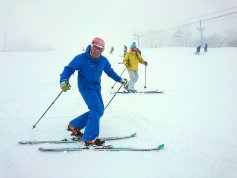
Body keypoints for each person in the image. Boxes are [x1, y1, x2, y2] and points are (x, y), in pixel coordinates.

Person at [60, 37, 127, 147]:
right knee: (96, 109)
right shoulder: (81, 58)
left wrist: (120, 79)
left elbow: (110, 72)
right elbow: (68, 69)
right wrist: (63, 81)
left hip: (96, 88)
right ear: (92, 46)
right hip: (85, 87)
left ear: (103, 50)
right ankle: (90, 138)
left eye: (100, 48)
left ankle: (74, 125)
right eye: (95, 47)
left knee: (99, 111)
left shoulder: (103, 60)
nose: (97, 50)